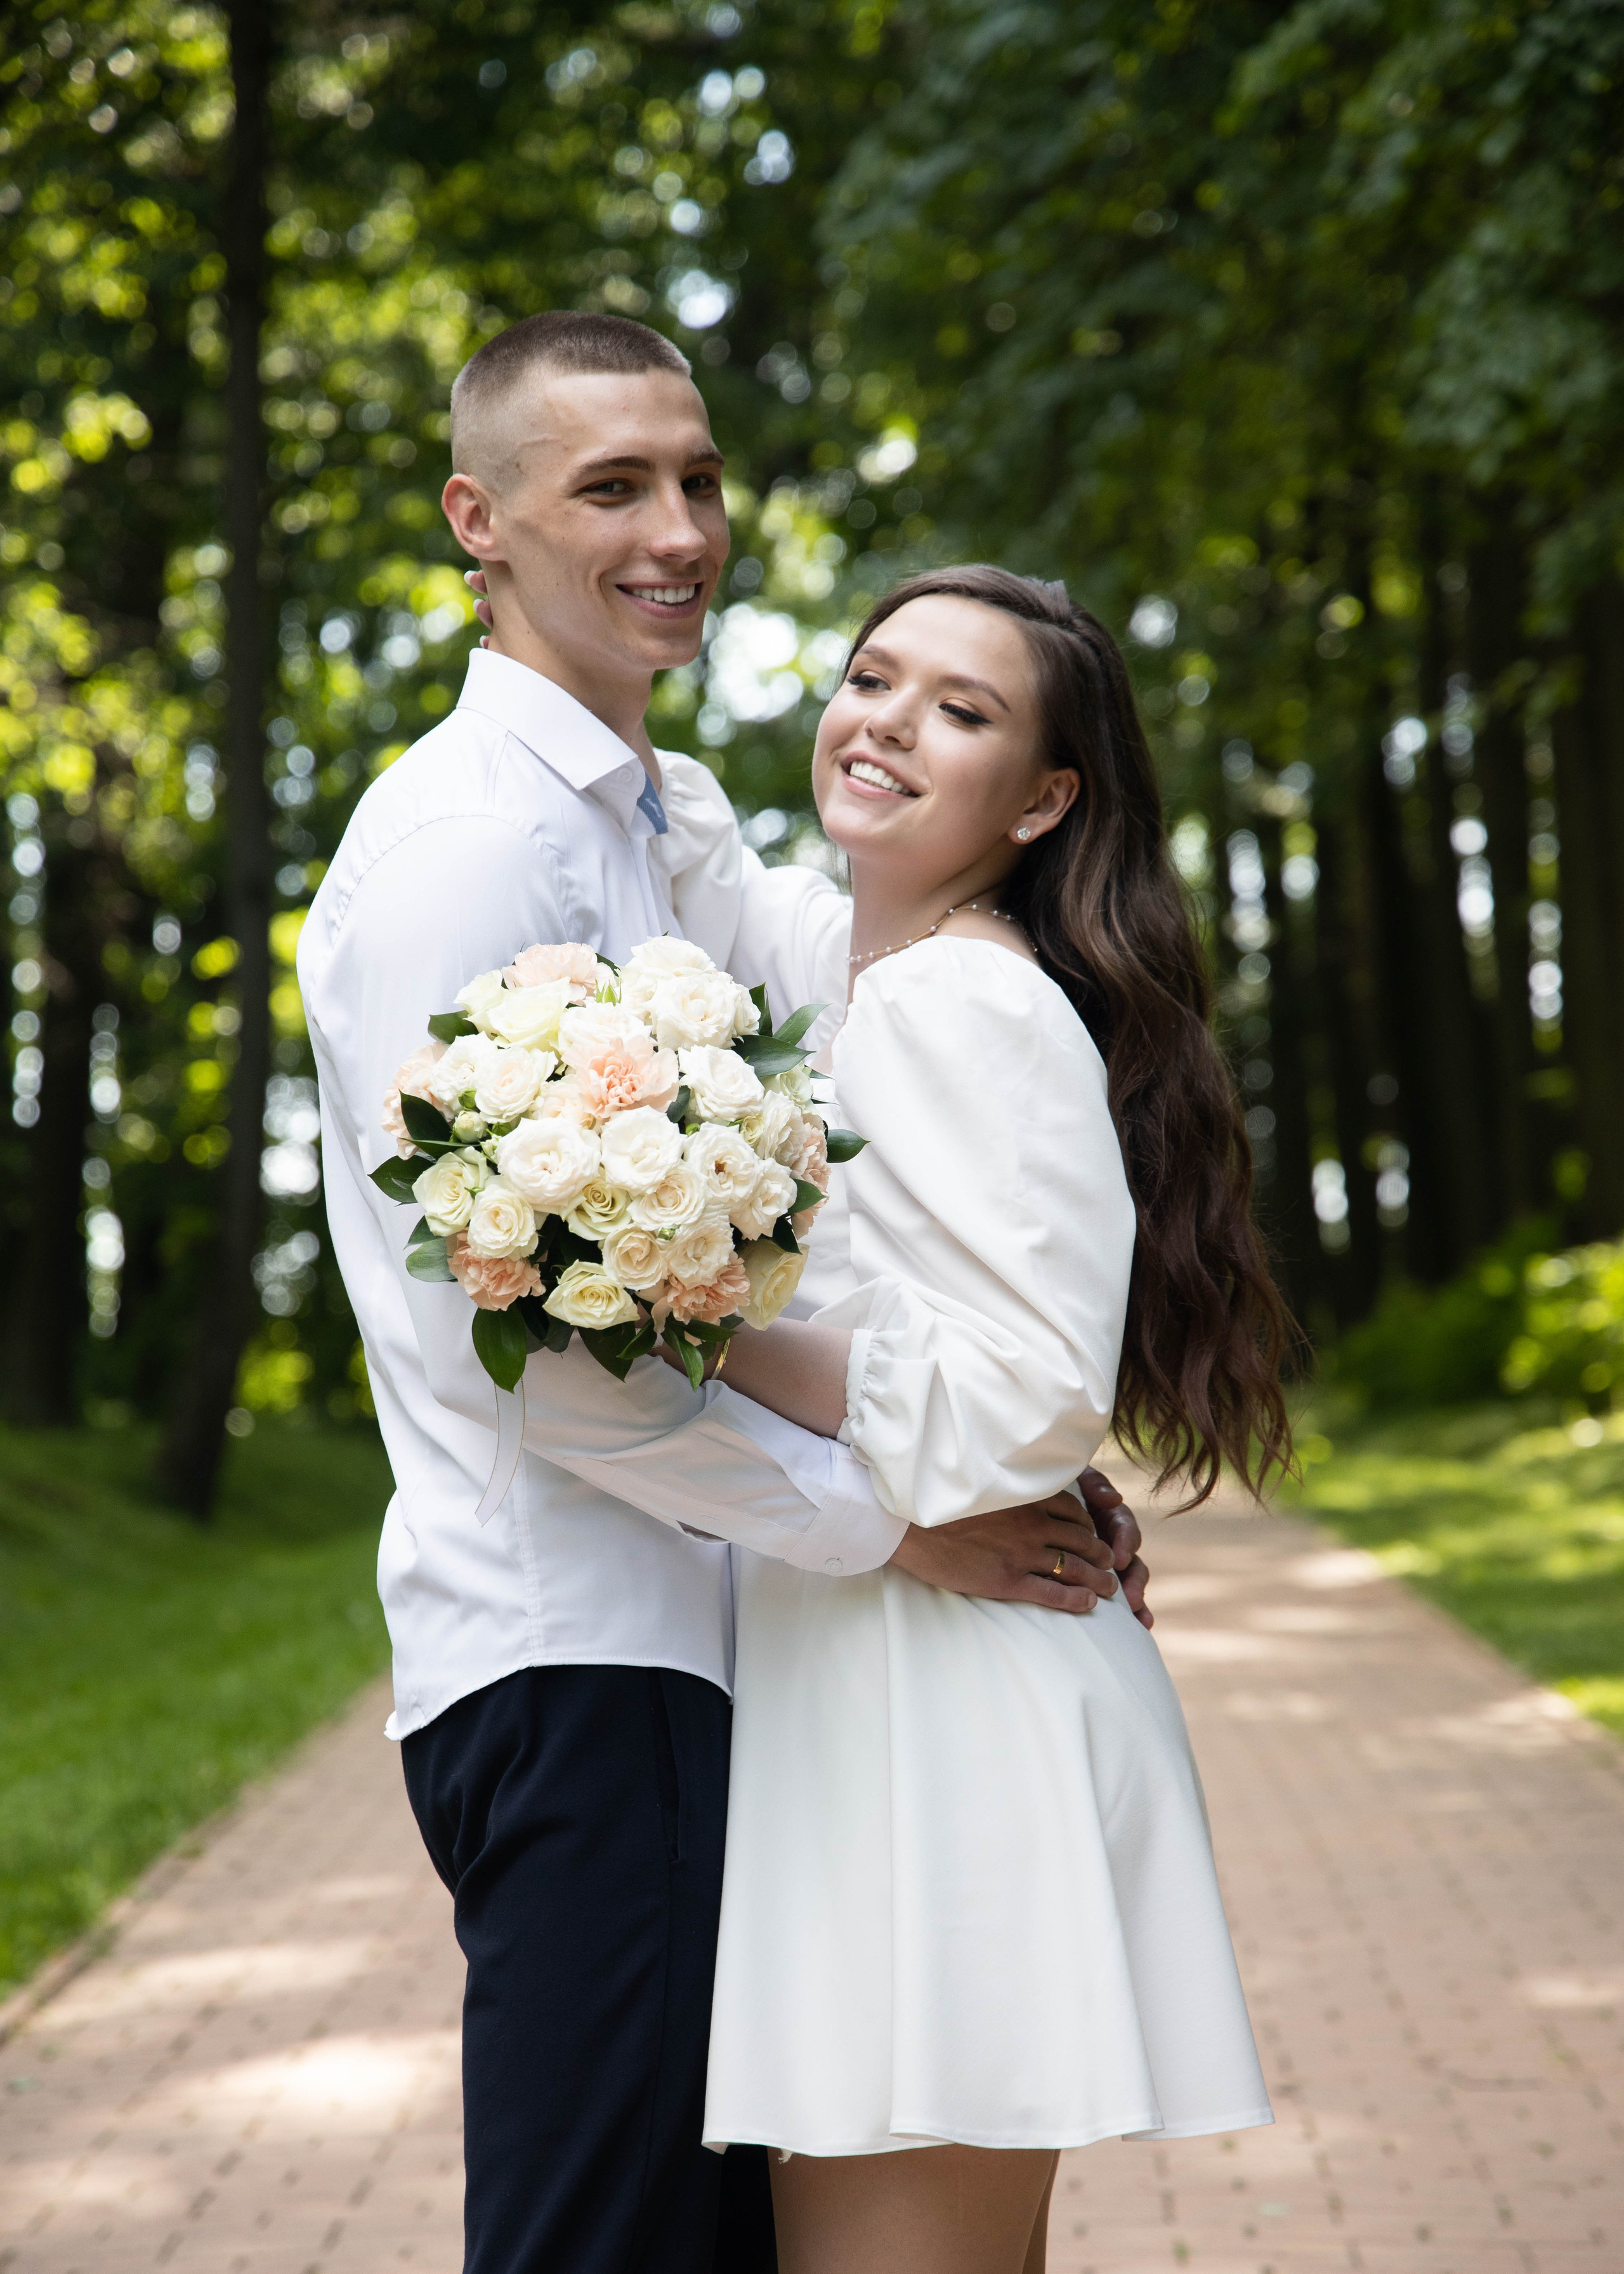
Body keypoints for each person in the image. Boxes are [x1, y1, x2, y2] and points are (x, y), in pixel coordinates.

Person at [298, 313, 1145, 2274]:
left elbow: (883, 1076)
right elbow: (526, 1349)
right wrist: (899, 1522)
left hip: (706, 1659)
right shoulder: (462, 849)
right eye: (611, 486)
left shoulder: (661, 828)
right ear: (475, 522)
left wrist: (991, 1420)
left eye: (695, 477)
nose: (677, 525)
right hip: (578, 1656)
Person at [693, 567, 1293, 2272]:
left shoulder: (957, 998)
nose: (886, 720)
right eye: (873, 677)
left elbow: (1024, 1394)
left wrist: (690, 1318)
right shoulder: (873, 981)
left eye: (960, 710)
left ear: (1042, 801)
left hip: (936, 1718)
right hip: (897, 1678)